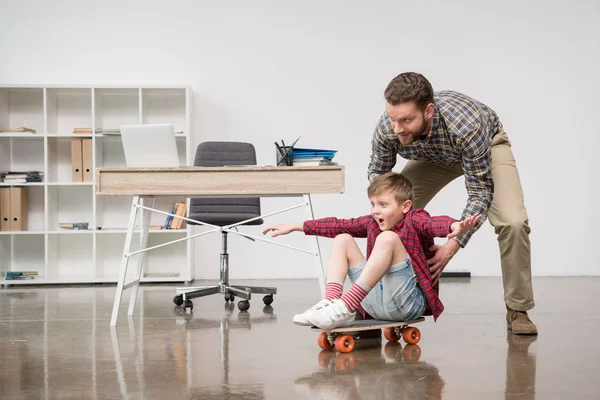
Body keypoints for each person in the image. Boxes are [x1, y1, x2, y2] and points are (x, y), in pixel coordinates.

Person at [368, 72, 537, 335]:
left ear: (429, 111)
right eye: (392, 119)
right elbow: (378, 179)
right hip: (431, 156)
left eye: (406, 120)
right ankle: (375, 303)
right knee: (387, 214)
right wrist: (384, 210)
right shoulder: (388, 128)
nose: (397, 128)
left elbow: (480, 192)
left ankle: (518, 309)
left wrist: (453, 245)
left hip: (484, 148)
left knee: (513, 222)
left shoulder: (466, 125)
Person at [262, 172, 479, 330]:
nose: (376, 210)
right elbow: (337, 224)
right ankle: (331, 302)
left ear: (404, 206)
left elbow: (432, 223)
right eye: (373, 204)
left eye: (383, 204)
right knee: (342, 238)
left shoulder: (414, 218)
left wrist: (453, 227)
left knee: (387, 239)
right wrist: (295, 226)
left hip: (407, 303)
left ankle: (347, 305)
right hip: (375, 303)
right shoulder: (372, 222)